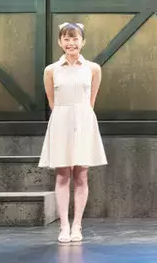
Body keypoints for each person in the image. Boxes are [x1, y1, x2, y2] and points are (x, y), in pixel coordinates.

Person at [38, 22, 107, 243]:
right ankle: (64, 226)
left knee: (81, 174)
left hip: (84, 120)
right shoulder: (51, 70)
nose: (71, 43)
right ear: (60, 42)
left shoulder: (93, 68)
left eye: (75, 38)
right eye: (66, 39)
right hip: (61, 120)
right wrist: (65, 115)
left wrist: (81, 114)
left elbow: (92, 100)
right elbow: (52, 101)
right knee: (62, 174)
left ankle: (77, 225)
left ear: (83, 41)